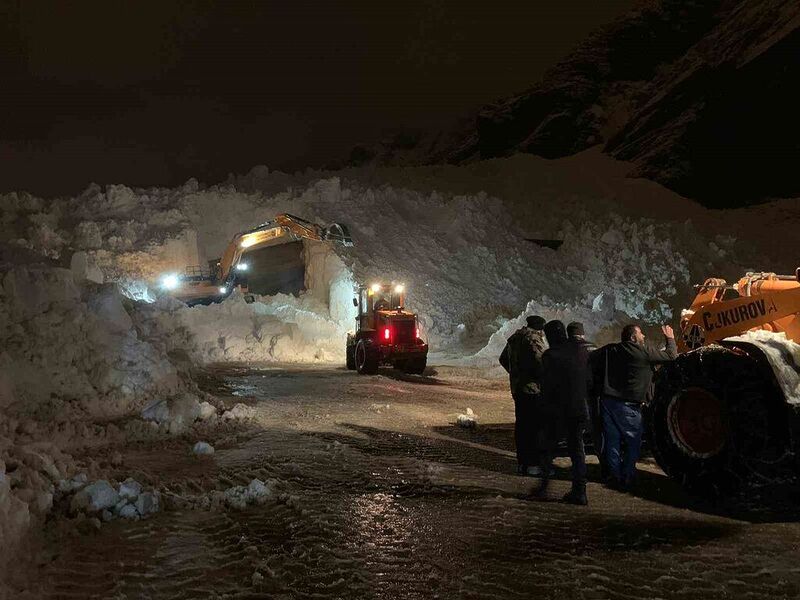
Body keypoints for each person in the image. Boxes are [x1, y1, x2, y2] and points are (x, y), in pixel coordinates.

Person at [591, 323, 677, 491]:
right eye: (640, 333)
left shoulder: (610, 350)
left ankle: (614, 476)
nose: (643, 336)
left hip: (608, 403)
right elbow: (671, 355)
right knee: (633, 442)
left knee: (612, 441)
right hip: (629, 406)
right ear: (632, 338)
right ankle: (628, 476)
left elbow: (593, 357)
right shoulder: (642, 352)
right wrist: (670, 338)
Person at [537, 320, 593, 505]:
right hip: (579, 409)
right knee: (577, 450)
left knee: (547, 448)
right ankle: (580, 490)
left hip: (556, 410)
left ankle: (543, 486)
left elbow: (545, 385)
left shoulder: (551, 355)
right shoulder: (579, 351)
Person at [500, 315, 547, 476]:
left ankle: (522, 462)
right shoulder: (533, 339)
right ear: (540, 328)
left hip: (518, 388)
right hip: (532, 389)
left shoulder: (514, 338)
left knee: (521, 426)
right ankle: (533, 464)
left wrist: (515, 373)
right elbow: (541, 363)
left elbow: (503, 359)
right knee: (534, 427)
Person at [567, 321, 605, 480]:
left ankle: (579, 470)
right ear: (582, 333)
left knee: (575, 435)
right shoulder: (593, 347)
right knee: (597, 432)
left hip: (572, 397)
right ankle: (605, 466)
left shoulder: (564, 348)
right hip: (591, 395)